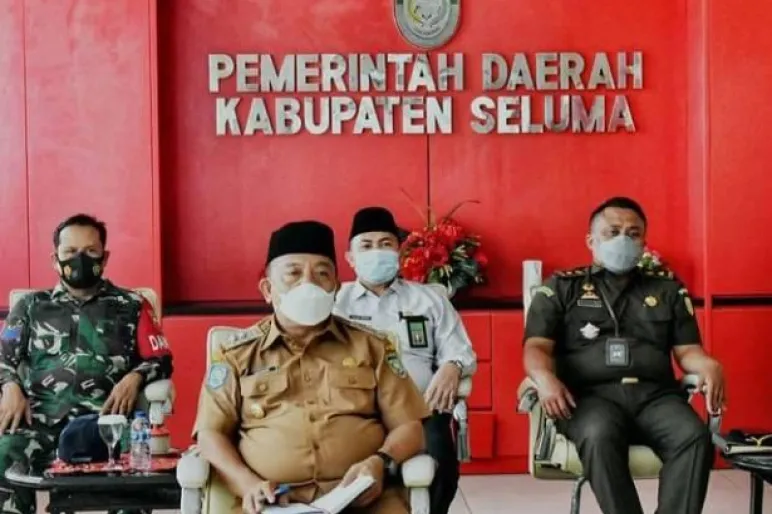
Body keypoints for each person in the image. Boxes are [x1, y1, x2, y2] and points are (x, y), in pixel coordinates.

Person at [194, 220, 428, 514]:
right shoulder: (236, 355)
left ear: (336, 288)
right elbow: (210, 435)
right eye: (293, 273)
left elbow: (410, 427)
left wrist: (380, 461)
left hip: (363, 501)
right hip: (271, 503)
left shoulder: (373, 347)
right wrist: (247, 483)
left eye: (322, 274)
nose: (309, 284)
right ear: (267, 289)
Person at [523, 197, 724, 514]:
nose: (623, 240)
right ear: (591, 240)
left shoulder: (667, 290)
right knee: (598, 433)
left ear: (644, 241)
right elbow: (536, 347)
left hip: (655, 397)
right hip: (588, 399)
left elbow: (688, 351)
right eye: (613, 232)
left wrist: (708, 366)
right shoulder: (561, 288)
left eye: (633, 233)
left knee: (693, 436)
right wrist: (544, 378)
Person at [0, 213, 174, 514]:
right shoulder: (30, 306)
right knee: (3, 454)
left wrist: (134, 377)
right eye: (70, 251)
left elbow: (161, 357)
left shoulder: (131, 305)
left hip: (107, 423)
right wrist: (10, 385)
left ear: (104, 258)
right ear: (55, 259)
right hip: (39, 423)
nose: (79, 259)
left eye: (90, 251)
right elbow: (4, 358)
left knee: (137, 471)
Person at [334, 207, 477, 514]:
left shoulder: (429, 299)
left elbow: (460, 349)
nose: (376, 251)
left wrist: (452, 366)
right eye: (366, 245)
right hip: (353, 408)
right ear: (350, 258)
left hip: (420, 408)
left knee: (442, 468)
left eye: (385, 244)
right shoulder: (335, 302)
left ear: (398, 251)